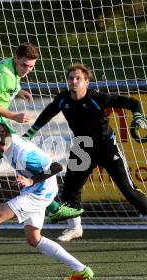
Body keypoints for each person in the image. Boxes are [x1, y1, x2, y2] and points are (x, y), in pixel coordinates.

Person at [0, 122, 94, 280]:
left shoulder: (23, 153)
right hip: (35, 190)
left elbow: (56, 166)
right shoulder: (7, 140)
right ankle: (82, 270)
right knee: (33, 238)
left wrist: (31, 180)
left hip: (40, 192)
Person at [23, 63, 147, 242]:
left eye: (78, 78)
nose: (74, 81)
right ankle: (75, 228)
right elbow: (48, 112)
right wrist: (31, 131)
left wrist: (138, 116)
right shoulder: (63, 99)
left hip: (107, 147)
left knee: (128, 190)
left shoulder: (96, 98)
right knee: (70, 189)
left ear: (86, 82)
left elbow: (132, 102)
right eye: (71, 78)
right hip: (82, 148)